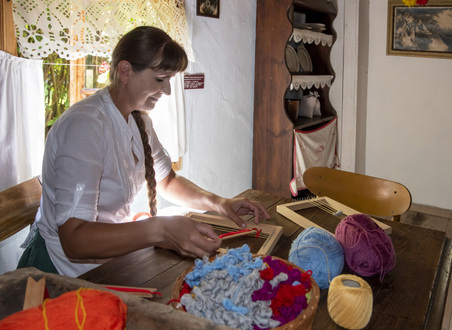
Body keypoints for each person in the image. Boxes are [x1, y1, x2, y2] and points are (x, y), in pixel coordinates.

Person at [17, 26, 270, 277]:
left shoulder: (140, 122)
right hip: (62, 273)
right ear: (125, 71)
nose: (168, 90)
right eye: (160, 79)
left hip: (109, 260)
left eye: (169, 80)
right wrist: (159, 229)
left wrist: (221, 204)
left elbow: (167, 180)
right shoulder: (85, 126)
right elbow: (75, 240)